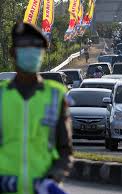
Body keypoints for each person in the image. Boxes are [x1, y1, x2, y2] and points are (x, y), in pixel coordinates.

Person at [0, 22, 73, 194]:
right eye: (25, 47)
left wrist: (52, 179)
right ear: (13, 53)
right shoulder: (2, 96)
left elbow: (65, 150)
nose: (32, 52)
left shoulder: (56, 95)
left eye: (37, 48)